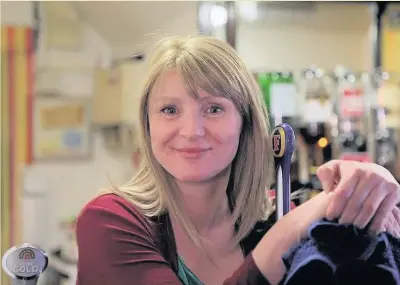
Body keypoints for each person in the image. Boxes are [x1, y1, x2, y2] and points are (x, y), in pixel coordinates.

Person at [76, 36, 400, 285]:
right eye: (169, 110)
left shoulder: (270, 223)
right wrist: (290, 232)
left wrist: (366, 199)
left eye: (214, 109)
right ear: (148, 126)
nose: (191, 131)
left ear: (246, 124)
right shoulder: (108, 222)